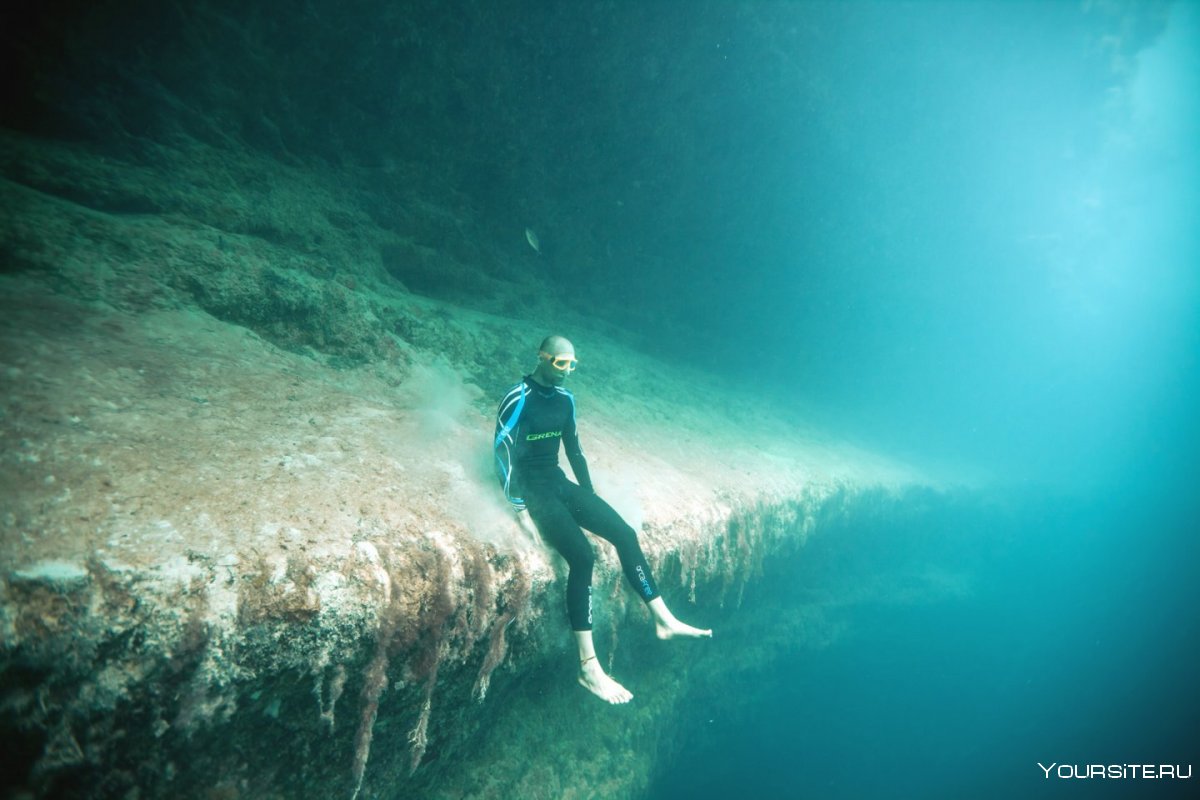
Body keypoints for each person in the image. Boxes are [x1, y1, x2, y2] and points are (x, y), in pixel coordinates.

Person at [493, 334, 711, 704]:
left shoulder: (565, 401)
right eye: (561, 363)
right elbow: (502, 450)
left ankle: (663, 619)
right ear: (542, 358)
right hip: (533, 490)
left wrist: (589, 497)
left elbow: (574, 450)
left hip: (559, 483)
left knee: (624, 533)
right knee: (583, 557)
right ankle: (588, 666)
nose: (567, 370)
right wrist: (518, 506)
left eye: (572, 364)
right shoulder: (519, 397)